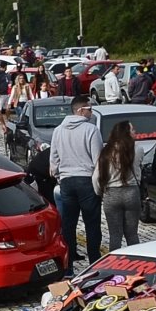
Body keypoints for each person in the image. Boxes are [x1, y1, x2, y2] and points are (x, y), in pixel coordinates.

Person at [48, 96, 102, 266]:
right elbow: (98, 160)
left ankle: (69, 265)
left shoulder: (58, 130)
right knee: (92, 224)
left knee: (69, 225)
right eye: (90, 109)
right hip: (86, 180)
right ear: (80, 110)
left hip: (66, 181)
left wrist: (59, 176)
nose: (91, 112)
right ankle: (94, 262)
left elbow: (53, 159)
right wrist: (99, 184)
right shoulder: (91, 130)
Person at [94, 121, 148, 252]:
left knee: (115, 234)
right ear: (126, 133)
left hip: (111, 193)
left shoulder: (106, 152)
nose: (135, 132)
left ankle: (115, 262)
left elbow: (96, 177)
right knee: (132, 234)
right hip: (131, 192)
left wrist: (100, 193)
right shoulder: (138, 149)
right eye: (132, 130)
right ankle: (136, 261)